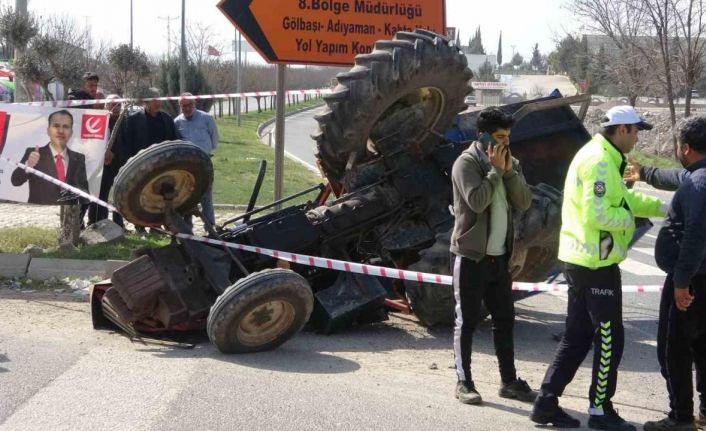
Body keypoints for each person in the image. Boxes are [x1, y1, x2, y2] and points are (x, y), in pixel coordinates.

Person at [531, 106, 666, 430]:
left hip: (583, 259)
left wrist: (665, 208)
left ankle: (545, 403)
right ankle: (600, 410)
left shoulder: (600, 155)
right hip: (595, 263)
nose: (637, 138)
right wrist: (630, 220)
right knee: (610, 338)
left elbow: (622, 201)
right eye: (636, 131)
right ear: (622, 131)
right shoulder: (601, 162)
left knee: (577, 336)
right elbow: (599, 215)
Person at [449, 107, 535, 406]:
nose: (505, 143)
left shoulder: (511, 163)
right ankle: (464, 382)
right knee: (467, 321)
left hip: (500, 259)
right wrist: (496, 171)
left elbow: (524, 202)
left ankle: (509, 381)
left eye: (508, 137)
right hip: (471, 257)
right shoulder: (466, 163)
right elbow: (476, 201)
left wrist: (508, 171)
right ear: (484, 136)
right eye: (500, 137)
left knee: (505, 320)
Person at [626, 117, 706, 431]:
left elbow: (697, 236)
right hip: (698, 278)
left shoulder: (698, 184)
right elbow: (672, 176)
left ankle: (681, 417)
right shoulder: (696, 177)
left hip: (692, 282)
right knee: (701, 348)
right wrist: (643, 171)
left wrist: (682, 283)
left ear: (684, 148)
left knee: (674, 350)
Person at [11, 110, 88, 205]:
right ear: (48, 130)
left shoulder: (79, 158)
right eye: (56, 126)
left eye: (66, 127)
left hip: (67, 215)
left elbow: (84, 193)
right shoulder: (33, 153)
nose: (60, 131)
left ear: (71, 132)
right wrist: (28, 166)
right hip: (39, 215)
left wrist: (80, 217)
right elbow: (15, 181)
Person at [174, 92, 219, 226]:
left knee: (206, 196)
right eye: (183, 106)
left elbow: (214, 138)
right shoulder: (176, 122)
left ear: (194, 104)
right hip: (186, 166)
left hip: (204, 163)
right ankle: (188, 228)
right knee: (187, 197)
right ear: (180, 107)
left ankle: (210, 226)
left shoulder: (207, 118)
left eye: (189, 105)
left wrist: (206, 151)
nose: (187, 108)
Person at [88, 94, 125, 227]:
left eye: (119, 105)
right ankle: (96, 222)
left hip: (121, 165)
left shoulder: (125, 121)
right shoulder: (100, 120)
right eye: (113, 104)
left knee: (119, 195)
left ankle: (118, 224)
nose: (116, 107)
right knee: (100, 195)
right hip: (103, 165)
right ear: (106, 105)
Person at [120, 87, 177, 160]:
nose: (157, 103)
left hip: (164, 161)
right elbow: (128, 146)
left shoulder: (167, 119)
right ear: (146, 102)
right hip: (142, 163)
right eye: (154, 100)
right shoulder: (134, 120)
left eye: (159, 100)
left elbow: (173, 142)